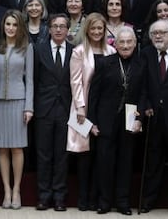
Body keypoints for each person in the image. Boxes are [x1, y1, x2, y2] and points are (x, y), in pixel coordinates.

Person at [88, 26, 144, 215]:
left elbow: (144, 94)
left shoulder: (141, 64)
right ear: (116, 44)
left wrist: (140, 118)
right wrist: (92, 121)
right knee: (104, 162)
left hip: (129, 119)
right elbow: (94, 94)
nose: (126, 45)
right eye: (122, 42)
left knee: (125, 162)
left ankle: (122, 202)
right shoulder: (105, 63)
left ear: (135, 44)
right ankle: (104, 202)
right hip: (105, 120)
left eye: (129, 42)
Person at [67, 13, 116, 211]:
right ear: (87, 29)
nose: (96, 32)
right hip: (83, 107)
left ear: (105, 31)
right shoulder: (79, 51)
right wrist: (80, 108)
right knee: (84, 154)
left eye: (100, 29)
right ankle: (83, 198)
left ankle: (97, 198)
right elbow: (75, 81)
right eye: (93, 28)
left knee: (100, 155)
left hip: (105, 110)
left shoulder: (111, 51)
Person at [0, 10, 33, 209]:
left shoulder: (27, 48)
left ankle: (16, 190)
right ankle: (6, 191)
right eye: (8, 24)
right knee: (2, 148)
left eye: (14, 25)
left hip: (19, 101)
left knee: (17, 148)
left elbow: (31, 80)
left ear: (20, 27)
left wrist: (29, 107)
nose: (10, 28)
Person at [34, 13, 73, 211]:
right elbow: (33, 80)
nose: (58, 29)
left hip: (66, 110)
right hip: (44, 109)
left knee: (61, 155)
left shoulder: (75, 51)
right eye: (55, 26)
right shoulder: (38, 50)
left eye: (62, 26)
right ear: (48, 29)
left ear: (68, 30)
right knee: (44, 155)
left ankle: (59, 196)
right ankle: (43, 196)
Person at [140, 20, 168, 213]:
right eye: (154, 33)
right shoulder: (146, 54)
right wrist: (146, 105)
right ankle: (148, 201)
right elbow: (140, 84)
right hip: (153, 117)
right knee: (153, 160)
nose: (158, 36)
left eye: (163, 33)